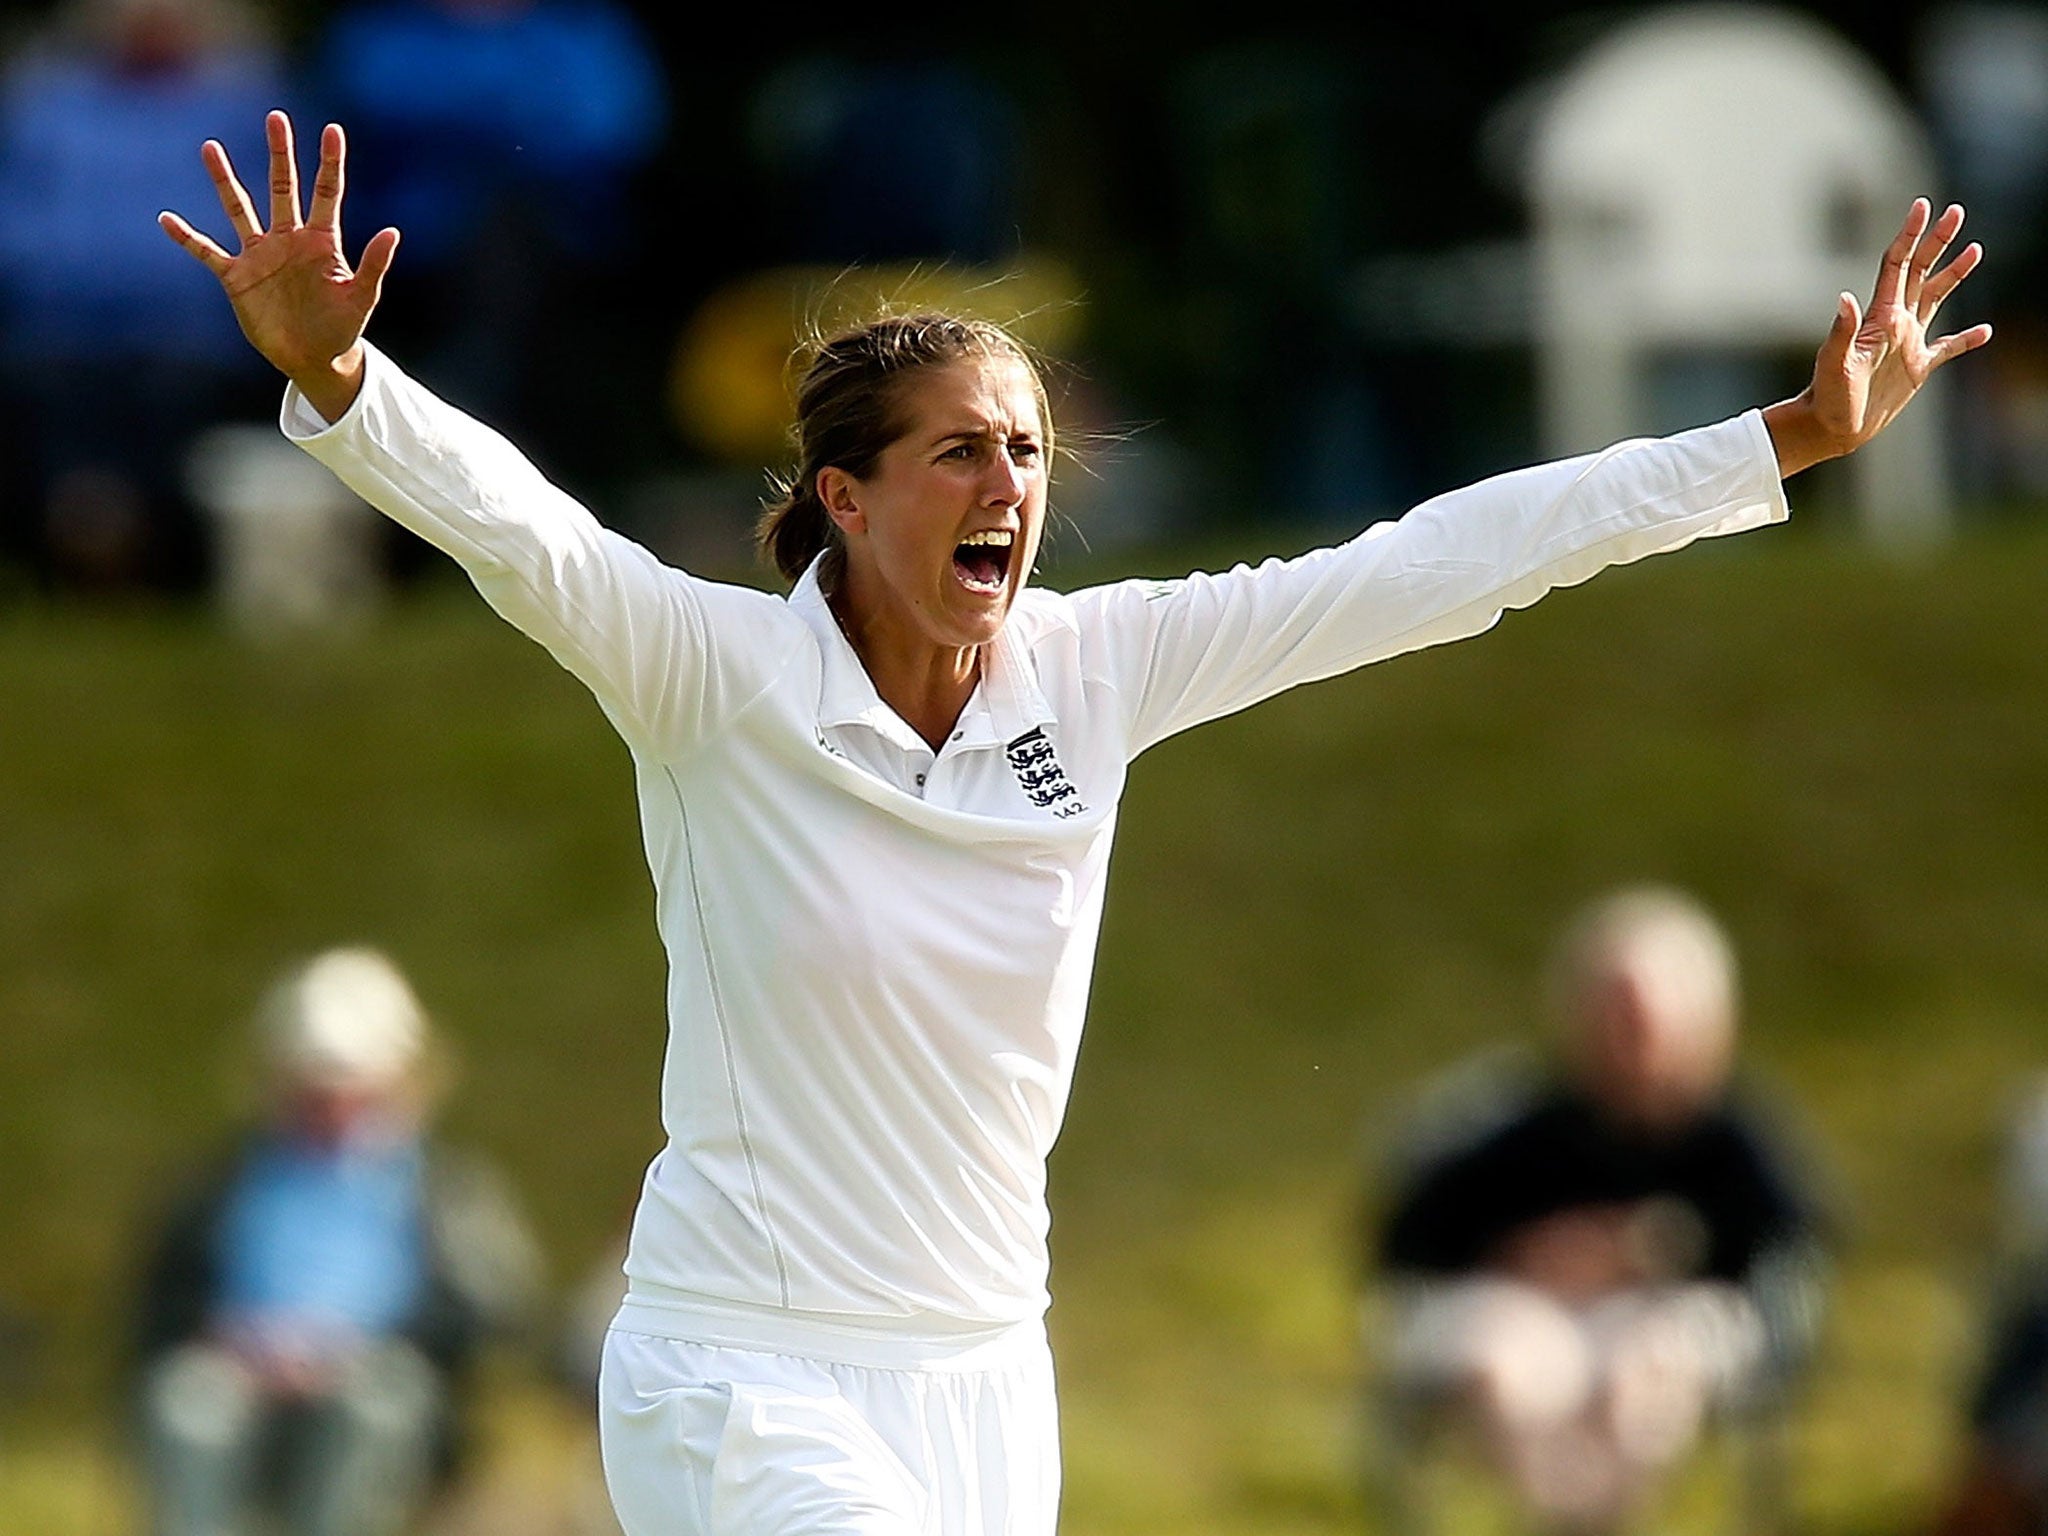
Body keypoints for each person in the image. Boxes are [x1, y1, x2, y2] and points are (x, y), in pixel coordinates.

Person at [157, 111, 1987, 1536]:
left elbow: (1436, 565)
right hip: (746, 1371)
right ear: (843, 497)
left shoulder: (1094, 671)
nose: (1004, 485)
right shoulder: (709, 676)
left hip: (982, 1381)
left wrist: (1769, 444)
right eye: (955, 449)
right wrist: (343, 381)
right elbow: (522, 530)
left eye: (1026, 450)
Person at [1367, 887, 1830, 1533]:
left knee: (1646, 1367)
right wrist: (1526, 1253)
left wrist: (1658, 1249)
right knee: (1507, 1365)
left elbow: (1790, 1247)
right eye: (1612, 1014)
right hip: (1529, 1328)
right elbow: (1408, 1237)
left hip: (1662, 1334)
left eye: (1644, 1019)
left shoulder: (1734, 1139)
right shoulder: (1515, 1123)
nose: (1627, 1040)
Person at [130, 946, 542, 1536]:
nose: (330, 1110)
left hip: (372, 1377)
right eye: (312, 1092)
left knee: (374, 1405)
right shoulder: (220, 1181)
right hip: (241, 1378)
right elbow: (161, 1303)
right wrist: (230, 1342)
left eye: (350, 1092)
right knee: (187, 1407)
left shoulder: (448, 1188)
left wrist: (352, 1350)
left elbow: (492, 1307)